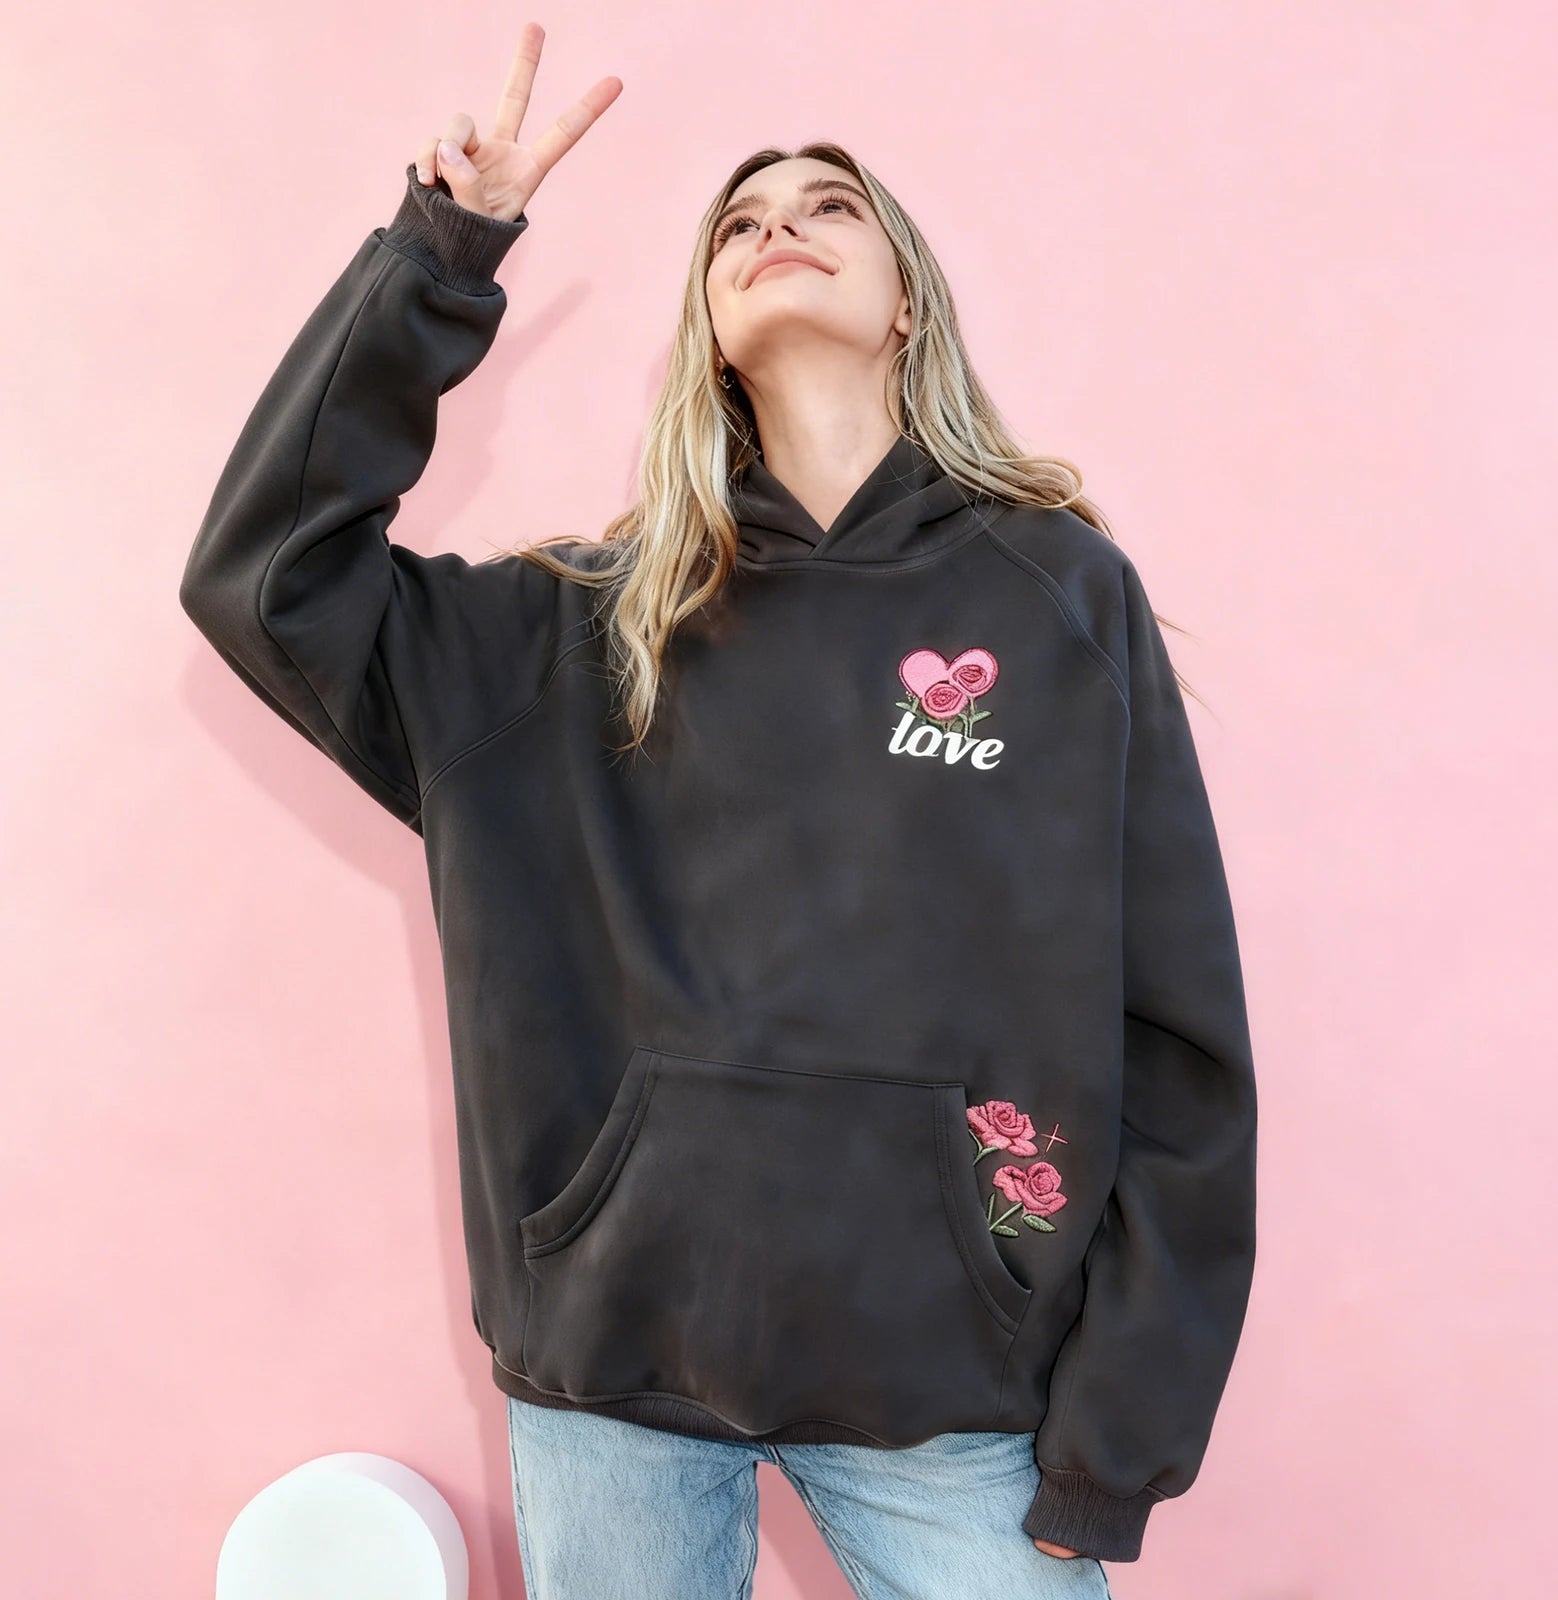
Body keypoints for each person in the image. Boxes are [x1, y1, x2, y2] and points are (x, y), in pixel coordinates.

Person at [179, 21, 1257, 1600]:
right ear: (707, 326)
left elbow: (1176, 1032)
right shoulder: (572, 630)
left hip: (953, 1395)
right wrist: (439, 256)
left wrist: (1120, 1436)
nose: (777, 227)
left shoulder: (1057, 603)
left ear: (907, 302)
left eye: (829, 207)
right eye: (739, 222)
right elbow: (267, 580)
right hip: (615, 1388)